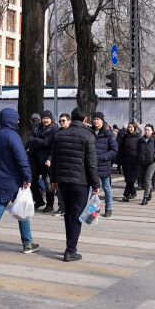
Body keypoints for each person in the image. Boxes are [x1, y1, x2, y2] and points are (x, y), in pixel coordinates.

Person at [0, 108, 39, 261]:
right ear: (10, 119)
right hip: (14, 182)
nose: (18, 121)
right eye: (16, 119)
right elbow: (22, 159)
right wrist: (28, 177)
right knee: (22, 210)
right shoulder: (13, 136)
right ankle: (27, 244)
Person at [50, 107, 100, 262]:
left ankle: (71, 245)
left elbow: (54, 160)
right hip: (80, 182)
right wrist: (95, 183)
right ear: (85, 119)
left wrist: (54, 180)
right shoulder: (88, 136)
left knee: (68, 214)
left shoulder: (59, 135)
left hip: (63, 181)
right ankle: (70, 250)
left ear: (71, 119)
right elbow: (92, 164)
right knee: (76, 216)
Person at [26, 110, 58, 212]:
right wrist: (40, 141)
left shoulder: (53, 129)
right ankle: (39, 200)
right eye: (44, 118)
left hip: (46, 159)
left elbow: (48, 143)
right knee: (31, 180)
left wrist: (36, 141)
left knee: (47, 182)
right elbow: (30, 139)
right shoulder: (36, 126)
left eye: (47, 118)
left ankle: (50, 204)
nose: (45, 120)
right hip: (35, 158)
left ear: (51, 119)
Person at [91, 112, 118, 217]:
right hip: (91, 165)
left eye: (98, 119)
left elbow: (114, 150)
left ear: (102, 120)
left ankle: (108, 208)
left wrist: (104, 158)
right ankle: (92, 210)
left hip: (103, 164)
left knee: (106, 187)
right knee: (91, 189)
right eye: (94, 119)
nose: (96, 121)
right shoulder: (90, 132)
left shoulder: (108, 133)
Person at [49, 113, 70, 215]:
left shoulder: (71, 132)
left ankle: (68, 208)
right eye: (60, 121)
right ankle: (61, 207)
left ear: (69, 121)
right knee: (59, 188)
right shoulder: (57, 133)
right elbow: (54, 149)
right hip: (59, 164)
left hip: (70, 164)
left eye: (63, 121)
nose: (61, 123)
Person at [117, 122, 142, 201]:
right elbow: (120, 149)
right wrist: (119, 160)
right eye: (129, 127)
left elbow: (141, 150)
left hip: (135, 162)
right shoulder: (125, 137)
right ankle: (133, 192)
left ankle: (126, 195)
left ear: (135, 128)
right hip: (126, 161)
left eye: (131, 127)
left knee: (131, 179)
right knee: (128, 179)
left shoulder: (139, 138)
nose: (130, 129)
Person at [138, 124, 155, 205]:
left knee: (148, 178)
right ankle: (149, 191)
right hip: (142, 162)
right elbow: (137, 150)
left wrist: (154, 158)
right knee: (143, 180)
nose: (147, 131)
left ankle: (145, 197)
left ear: (152, 131)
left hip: (151, 163)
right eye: (145, 130)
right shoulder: (141, 140)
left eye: (148, 130)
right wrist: (139, 157)